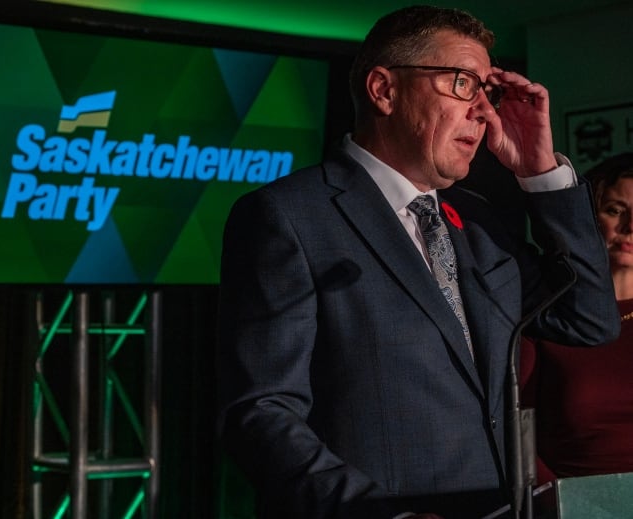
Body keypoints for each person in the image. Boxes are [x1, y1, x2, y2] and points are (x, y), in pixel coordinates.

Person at [215, 5, 619, 518]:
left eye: (487, 92)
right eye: (462, 84)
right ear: (383, 89)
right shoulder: (287, 216)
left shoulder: (475, 220)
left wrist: (541, 173)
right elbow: (260, 411)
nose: (483, 112)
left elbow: (588, 320)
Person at [520, 153, 633, 501]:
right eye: (615, 210)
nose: (630, 227)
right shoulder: (547, 317)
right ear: (587, 217)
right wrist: (570, 502)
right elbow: (520, 439)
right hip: (574, 504)